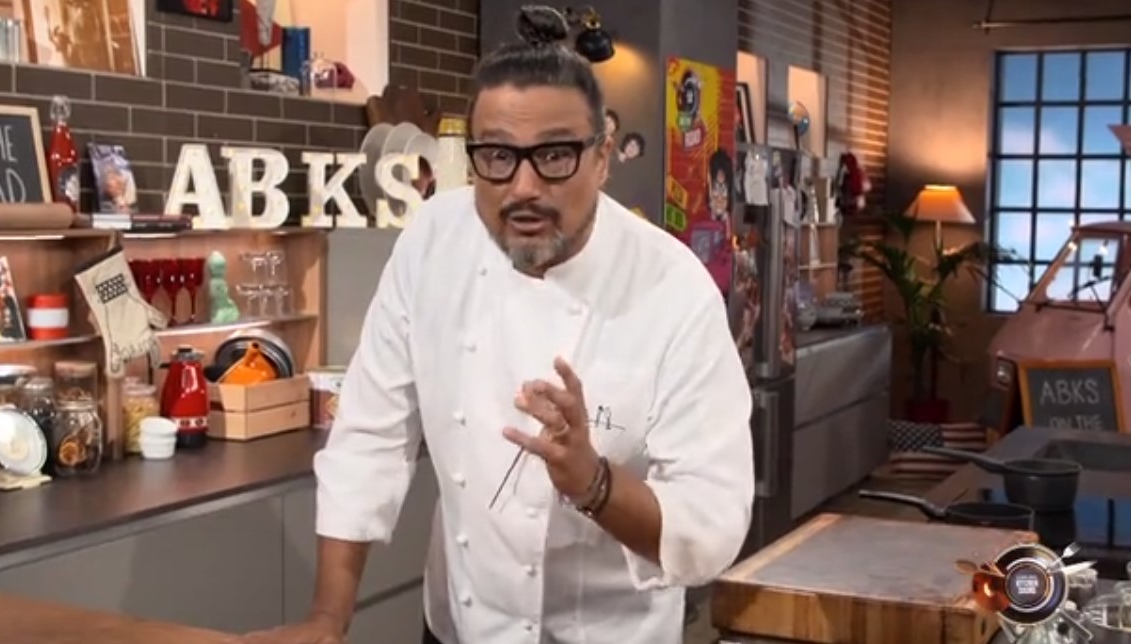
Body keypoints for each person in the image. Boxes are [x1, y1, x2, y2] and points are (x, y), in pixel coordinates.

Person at [242, 5, 753, 644]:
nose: (523, 187)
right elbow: (369, 436)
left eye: (555, 155)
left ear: (602, 156)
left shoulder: (673, 288)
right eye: (497, 156)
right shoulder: (433, 242)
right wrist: (328, 616)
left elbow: (712, 523)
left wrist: (594, 483)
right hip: (459, 626)